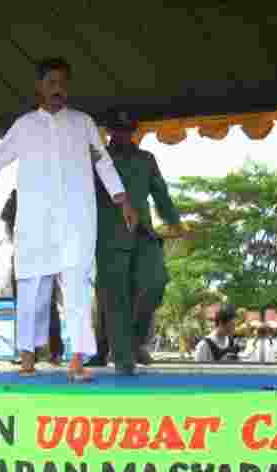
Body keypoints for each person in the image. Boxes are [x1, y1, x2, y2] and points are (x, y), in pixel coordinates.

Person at [0, 57, 133, 381]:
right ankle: (27, 356)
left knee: (77, 284)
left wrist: (124, 201)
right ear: (39, 87)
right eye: (51, 83)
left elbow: (103, 163)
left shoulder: (83, 123)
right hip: (35, 219)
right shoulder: (24, 126)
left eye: (62, 83)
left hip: (77, 217)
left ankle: (77, 359)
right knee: (32, 286)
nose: (57, 89)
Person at [86, 109, 182, 375]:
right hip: (108, 236)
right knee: (114, 298)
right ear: (109, 131)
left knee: (155, 282)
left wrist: (174, 221)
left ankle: (134, 343)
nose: (123, 134)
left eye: (127, 130)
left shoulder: (146, 159)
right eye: (118, 129)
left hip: (143, 233)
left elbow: (160, 193)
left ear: (134, 131)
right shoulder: (96, 159)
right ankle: (123, 360)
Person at [1, 189, 64, 365]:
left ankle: (49, 351)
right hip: (29, 252)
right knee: (31, 304)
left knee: (44, 303)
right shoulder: (19, 194)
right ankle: (33, 352)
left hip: (42, 253)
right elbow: (7, 221)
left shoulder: (46, 193)